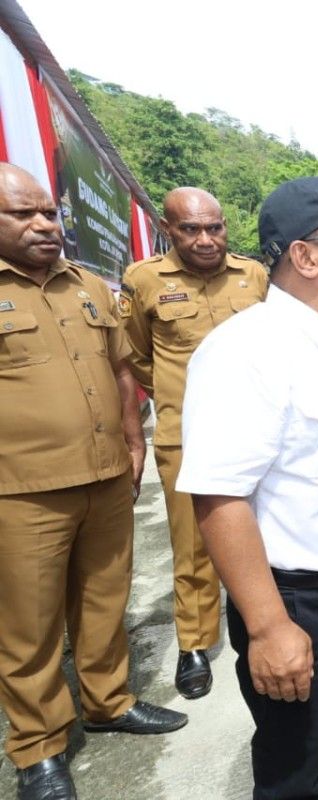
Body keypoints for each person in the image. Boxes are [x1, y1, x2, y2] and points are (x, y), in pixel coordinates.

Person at [177, 177, 318, 798]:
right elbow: (219, 497)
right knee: (296, 772)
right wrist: (270, 626)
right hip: (298, 603)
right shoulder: (246, 352)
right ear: (304, 257)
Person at [0, 163, 187, 800]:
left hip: (108, 475)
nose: (44, 225)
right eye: (22, 215)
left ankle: (109, 701)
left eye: (48, 213)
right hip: (21, 490)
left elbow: (120, 369)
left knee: (107, 599)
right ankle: (40, 747)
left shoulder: (89, 287)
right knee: (28, 626)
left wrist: (135, 441)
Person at [119, 187, 269, 700]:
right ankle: (196, 645)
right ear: (168, 229)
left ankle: (269, 623)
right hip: (188, 437)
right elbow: (138, 356)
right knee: (194, 545)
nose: (206, 239)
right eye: (191, 229)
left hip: (258, 431)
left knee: (268, 533)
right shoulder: (143, 281)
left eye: (215, 227)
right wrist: (178, 396)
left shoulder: (255, 276)